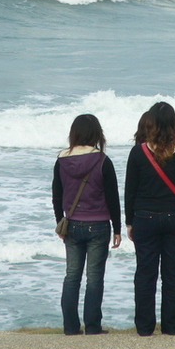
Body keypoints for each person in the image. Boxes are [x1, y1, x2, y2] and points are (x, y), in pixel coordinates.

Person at [125, 102, 175, 336]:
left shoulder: (138, 152)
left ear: (150, 123)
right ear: (174, 124)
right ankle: (172, 327)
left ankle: (144, 327)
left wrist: (130, 221)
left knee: (145, 274)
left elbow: (130, 191)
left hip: (145, 218)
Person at [52, 114, 122, 336]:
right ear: (96, 134)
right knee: (94, 278)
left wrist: (59, 222)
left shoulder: (62, 160)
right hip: (99, 225)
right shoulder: (102, 160)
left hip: (71, 224)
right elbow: (113, 197)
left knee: (72, 276)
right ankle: (92, 326)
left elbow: (56, 195)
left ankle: (71, 327)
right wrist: (118, 228)